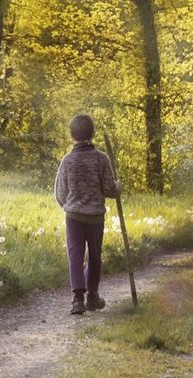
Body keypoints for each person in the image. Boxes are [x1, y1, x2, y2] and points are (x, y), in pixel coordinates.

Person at [53, 114, 120, 315]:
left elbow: (60, 193)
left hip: (74, 216)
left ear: (71, 135)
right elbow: (109, 190)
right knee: (94, 256)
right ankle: (92, 296)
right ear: (93, 133)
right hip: (95, 216)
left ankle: (77, 300)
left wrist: (69, 206)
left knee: (75, 255)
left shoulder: (67, 160)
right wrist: (117, 187)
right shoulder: (101, 159)